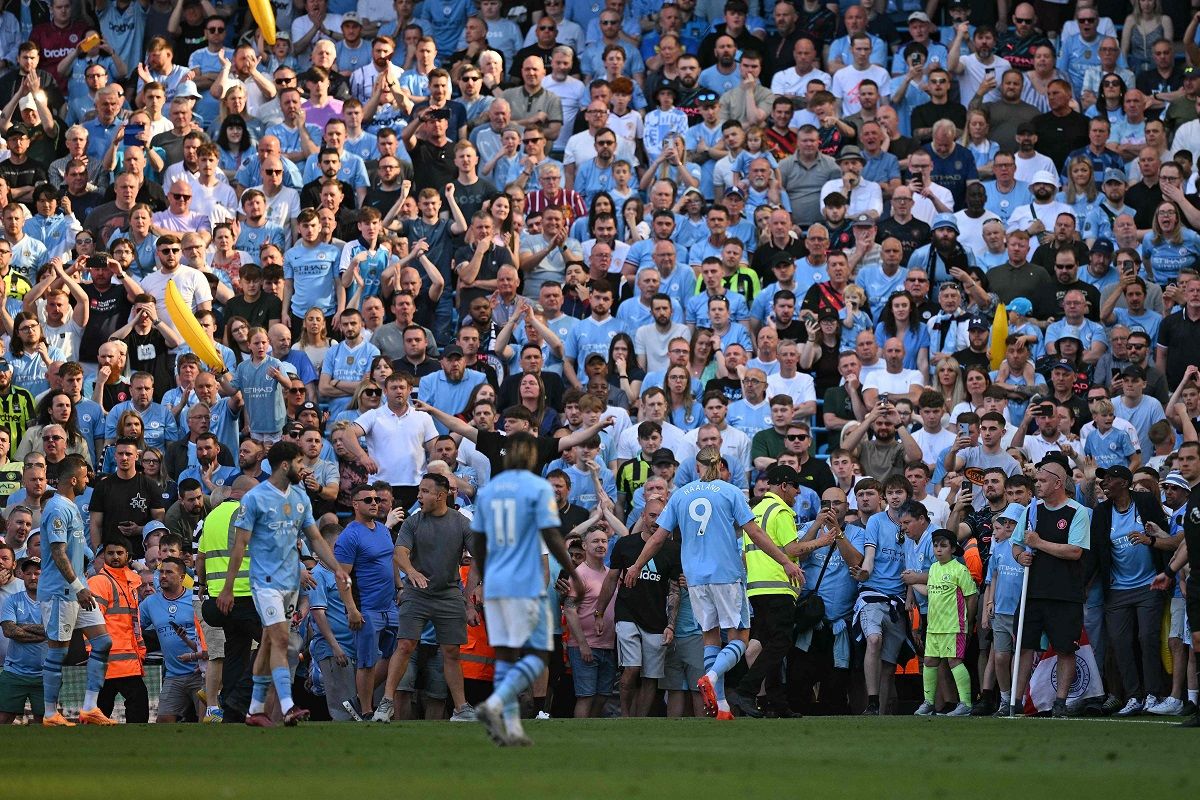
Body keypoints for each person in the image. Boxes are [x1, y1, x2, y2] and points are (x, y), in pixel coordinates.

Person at [623, 446, 803, 718]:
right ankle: (712, 676)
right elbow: (754, 532)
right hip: (726, 574)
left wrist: (637, 565)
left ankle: (720, 705)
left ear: (697, 467)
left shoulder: (680, 494)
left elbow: (659, 537)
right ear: (720, 466)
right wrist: (785, 561)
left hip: (695, 578)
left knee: (710, 637)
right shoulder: (731, 492)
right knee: (740, 637)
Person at [215, 441, 354, 727]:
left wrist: (337, 568)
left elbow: (315, 538)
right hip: (264, 582)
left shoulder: (300, 496)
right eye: (300, 463)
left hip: (290, 582)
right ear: (285, 465)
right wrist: (227, 588)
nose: (304, 468)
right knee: (281, 640)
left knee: (269, 642)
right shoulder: (255, 499)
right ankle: (288, 705)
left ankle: (254, 709)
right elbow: (240, 546)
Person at [374, 473, 478, 723]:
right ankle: (386, 702)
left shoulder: (461, 522)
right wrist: (411, 572)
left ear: (440, 496)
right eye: (419, 490)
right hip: (416, 593)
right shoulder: (413, 522)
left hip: (448, 593)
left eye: (424, 491)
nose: (418, 496)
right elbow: (399, 552)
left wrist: (468, 595)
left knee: (451, 651)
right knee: (405, 645)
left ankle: (461, 708)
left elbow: (480, 557)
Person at [1008, 454, 1091, 718]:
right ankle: (1015, 701)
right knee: (1023, 646)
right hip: (1032, 592)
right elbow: (1016, 544)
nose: (1037, 485)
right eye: (1037, 480)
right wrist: (1020, 556)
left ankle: (1060, 702)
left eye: (1042, 480)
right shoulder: (1032, 510)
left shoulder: (1076, 512)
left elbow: (1075, 551)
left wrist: (1039, 543)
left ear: (1058, 483)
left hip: (1064, 593)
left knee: (1065, 648)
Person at [39, 454, 116, 725]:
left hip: (77, 589)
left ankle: (90, 708)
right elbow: (58, 553)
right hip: (60, 592)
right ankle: (50, 713)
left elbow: (73, 550)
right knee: (58, 652)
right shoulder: (57, 508)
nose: (88, 480)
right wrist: (77, 586)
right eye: (84, 476)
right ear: (73, 480)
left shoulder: (70, 506)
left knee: (103, 642)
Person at [335, 482, 398, 720]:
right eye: (368, 500)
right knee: (367, 661)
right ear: (355, 504)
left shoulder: (382, 529)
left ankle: (358, 699)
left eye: (377, 500)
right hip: (367, 607)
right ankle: (365, 710)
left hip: (389, 605)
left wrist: (400, 587)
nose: (374, 503)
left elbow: (390, 561)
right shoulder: (349, 535)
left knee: (397, 653)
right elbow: (342, 577)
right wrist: (352, 609)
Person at [913, 528, 978, 717]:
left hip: (953, 626)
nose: (938, 550)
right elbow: (930, 591)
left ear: (953, 549)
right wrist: (911, 582)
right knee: (929, 661)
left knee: (954, 661)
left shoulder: (959, 569)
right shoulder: (934, 568)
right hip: (934, 626)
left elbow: (971, 597)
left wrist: (968, 622)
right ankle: (928, 702)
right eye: (935, 546)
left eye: (943, 546)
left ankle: (966, 704)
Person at [139, 557, 204, 723]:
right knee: (163, 721)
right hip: (173, 675)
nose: (163, 576)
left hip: (200, 673)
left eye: (169, 572)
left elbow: (208, 634)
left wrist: (205, 661)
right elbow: (134, 628)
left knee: (207, 721)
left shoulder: (195, 599)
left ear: (182, 577)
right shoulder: (150, 603)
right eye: (161, 572)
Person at [0, 555, 47, 725]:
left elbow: (55, 630)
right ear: (22, 575)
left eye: (37, 573)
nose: (33, 577)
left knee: (45, 721)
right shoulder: (12, 600)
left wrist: (21, 626)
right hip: (14, 672)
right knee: (4, 718)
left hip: (45, 673)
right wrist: (44, 633)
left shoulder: (53, 601)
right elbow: (9, 631)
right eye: (28, 573)